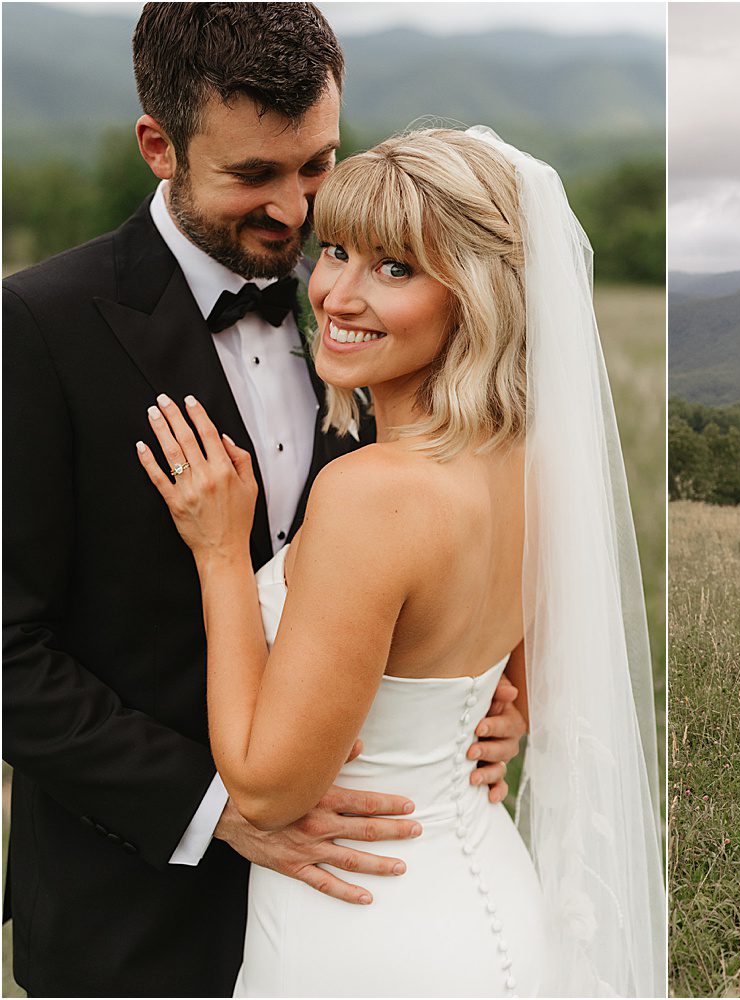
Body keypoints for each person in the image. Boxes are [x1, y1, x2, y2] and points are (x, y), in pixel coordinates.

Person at [0, 6, 521, 995]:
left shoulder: (376, 312)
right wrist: (215, 806)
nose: (296, 213)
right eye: (254, 177)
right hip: (138, 919)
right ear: (160, 146)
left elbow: (440, 554)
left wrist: (487, 702)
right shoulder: (37, 328)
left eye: (317, 165)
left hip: (368, 911)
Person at [135, 126, 663, 995]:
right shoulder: (534, 463)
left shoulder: (370, 492)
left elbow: (267, 792)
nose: (336, 295)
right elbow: (510, 683)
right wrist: (493, 722)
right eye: (335, 251)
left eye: (394, 269)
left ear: (478, 298)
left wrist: (223, 554)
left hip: (362, 922)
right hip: (491, 884)